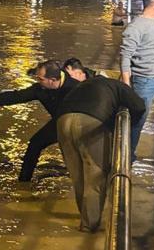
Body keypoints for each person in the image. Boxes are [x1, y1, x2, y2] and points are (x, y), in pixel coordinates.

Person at [0, 60, 80, 182]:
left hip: (80, 124)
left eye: (40, 79)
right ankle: (24, 182)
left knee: (76, 154)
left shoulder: (77, 88)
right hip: (59, 121)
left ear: (52, 80)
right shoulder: (41, 88)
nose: (37, 81)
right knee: (35, 143)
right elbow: (16, 96)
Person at [57, 76, 145, 232]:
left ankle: (86, 216)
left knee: (78, 176)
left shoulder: (83, 85)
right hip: (91, 122)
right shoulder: (118, 85)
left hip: (63, 121)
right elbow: (139, 106)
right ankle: (89, 226)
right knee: (95, 176)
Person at [120, 0, 154, 160]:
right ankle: (126, 159)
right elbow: (125, 55)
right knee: (137, 122)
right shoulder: (136, 27)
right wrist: (126, 82)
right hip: (145, 81)